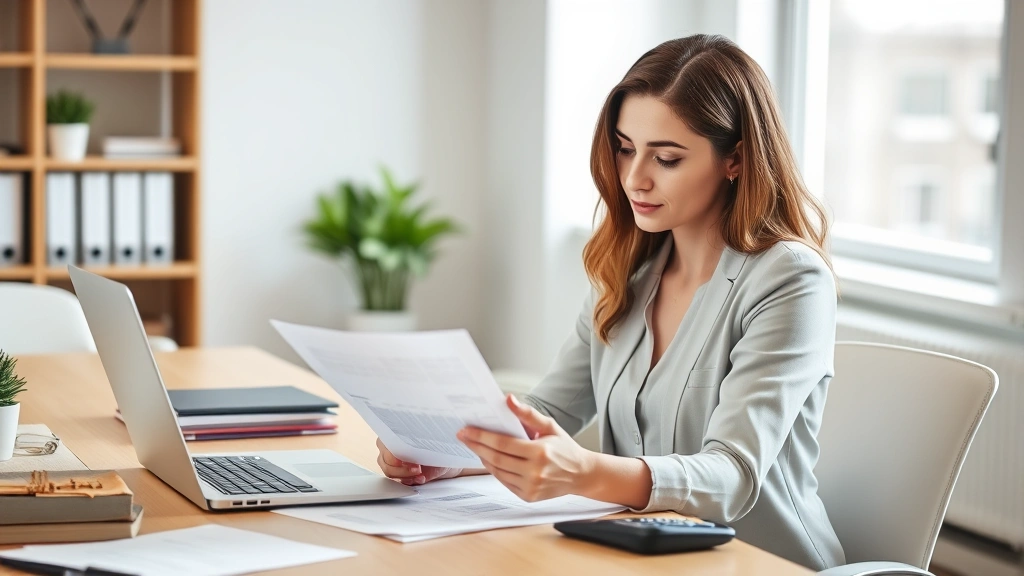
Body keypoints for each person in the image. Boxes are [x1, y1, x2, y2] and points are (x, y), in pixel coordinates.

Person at [375, 34, 845, 571]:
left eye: (667, 158)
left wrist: (581, 472)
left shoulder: (790, 280)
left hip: (760, 563)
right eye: (626, 148)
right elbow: (551, 411)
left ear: (734, 159)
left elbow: (732, 474)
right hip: (642, 555)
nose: (634, 178)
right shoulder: (628, 269)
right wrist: (452, 455)